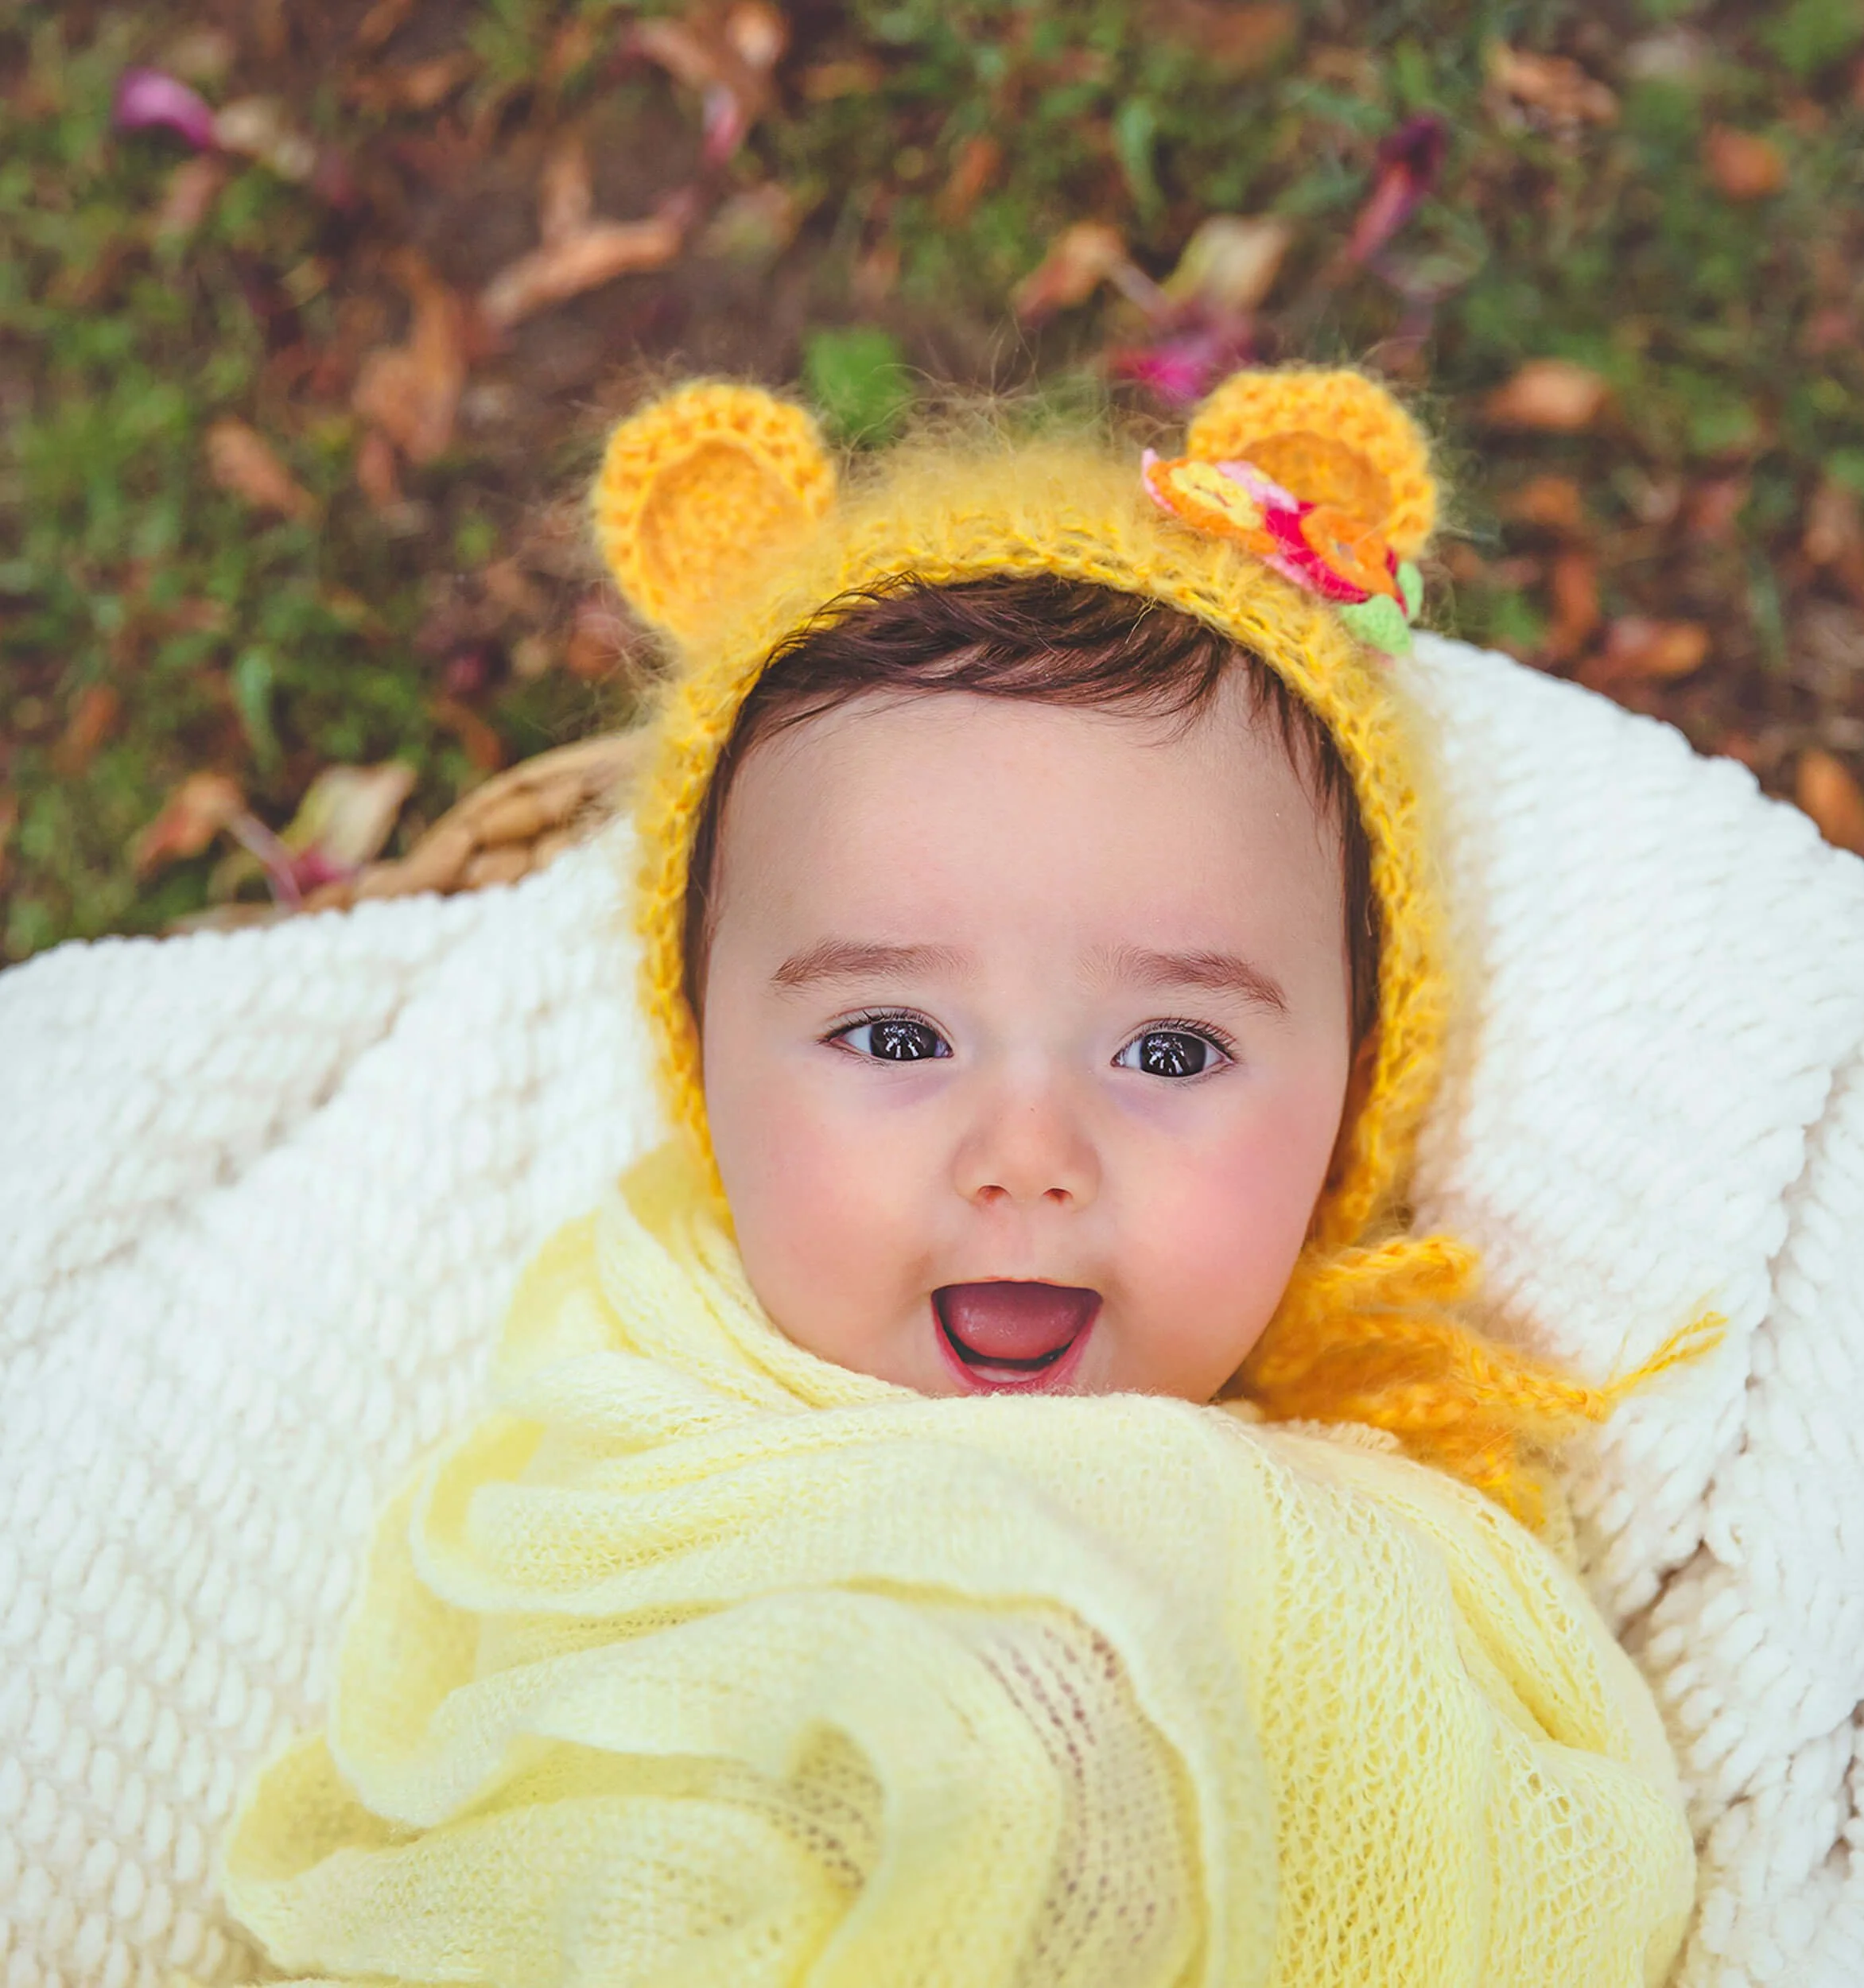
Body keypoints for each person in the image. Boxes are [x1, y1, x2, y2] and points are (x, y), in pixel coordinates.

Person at [216, 371, 1710, 1986]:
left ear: (1349, 1103)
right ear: (706, 1070)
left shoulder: (1366, 1565)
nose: (1025, 1159)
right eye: (890, 1030)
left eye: (1169, 1053)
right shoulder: (620, 1406)